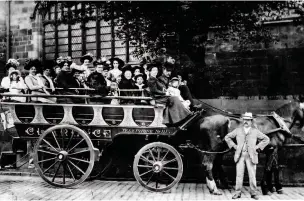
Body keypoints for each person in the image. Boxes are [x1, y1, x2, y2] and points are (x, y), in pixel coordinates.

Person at [225, 112, 270, 200]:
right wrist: (234, 146)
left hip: (251, 156)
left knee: (252, 175)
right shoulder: (238, 130)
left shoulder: (255, 131)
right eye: (245, 120)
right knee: (239, 175)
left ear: (251, 121)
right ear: (243, 120)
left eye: (248, 120)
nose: (246, 121)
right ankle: (237, 193)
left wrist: (258, 147)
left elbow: (266, 139)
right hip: (240, 156)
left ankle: (253, 193)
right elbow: (227, 137)